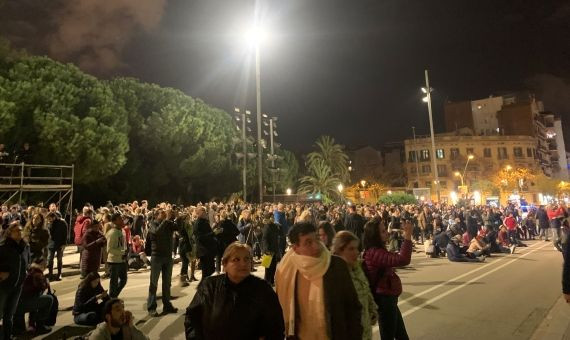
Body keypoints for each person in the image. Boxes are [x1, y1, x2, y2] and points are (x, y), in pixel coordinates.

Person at [275, 222, 362, 340]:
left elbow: (353, 307)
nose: (316, 246)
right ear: (296, 248)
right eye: (308, 243)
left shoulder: (336, 266)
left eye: (316, 238)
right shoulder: (289, 272)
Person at [184, 242, 284, 340]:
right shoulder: (209, 286)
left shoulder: (263, 289)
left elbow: (276, 325)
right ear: (225, 264)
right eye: (236, 259)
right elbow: (192, 318)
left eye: (247, 259)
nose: (243, 263)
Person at [362, 217, 411, 340]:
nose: (387, 232)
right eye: (383, 231)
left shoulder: (377, 250)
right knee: (388, 335)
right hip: (384, 300)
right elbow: (402, 259)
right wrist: (408, 237)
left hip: (388, 298)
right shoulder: (375, 253)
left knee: (401, 335)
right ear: (375, 235)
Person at [333, 231, 378, 340]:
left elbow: (366, 291)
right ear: (339, 251)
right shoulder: (335, 275)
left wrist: (373, 310)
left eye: (356, 248)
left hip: (365, 331)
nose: (356, 252)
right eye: (351, 249)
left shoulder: (357, 268)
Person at [0, 223, 30, 339]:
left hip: (18, 286)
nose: (19, 232)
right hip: (3, 286)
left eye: (21, 230)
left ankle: (8, 337)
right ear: (9, 233)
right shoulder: (3, 247)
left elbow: (27, 261)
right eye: (16, 231)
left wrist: (25, 272)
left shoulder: (25, 247)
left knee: (9, 316)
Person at [146, 209, 179, 317]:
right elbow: (157, 233)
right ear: (156, 216)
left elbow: (179, 228)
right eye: (163, 214)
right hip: (157, 257)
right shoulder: (152, 224)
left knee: (167, 283)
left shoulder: (168, 223)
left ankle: (167, 304)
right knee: (153, 283)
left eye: (166, 214)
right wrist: (166, 221)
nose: (165, 215)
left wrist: (178, 218)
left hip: (168, 257)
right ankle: (151, 307)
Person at [13, 258, 54, 335]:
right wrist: (46, 283)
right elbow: (41, 287)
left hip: (17, 303)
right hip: (22, 304)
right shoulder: (37, 274)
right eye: (45, 264)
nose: (46, 266)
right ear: (41, 265)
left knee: (37, 297)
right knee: (49, 299)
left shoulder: (30, 271)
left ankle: (31, 325)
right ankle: (40, 325)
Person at [106, 213, 127, 298]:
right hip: (114, 261)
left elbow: (122, 245)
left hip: (121, 260)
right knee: (114, 283)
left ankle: (113, 297)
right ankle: (112, 299)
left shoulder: (121, 231)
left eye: (122, 218)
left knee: (123, 280)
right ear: (114, 221)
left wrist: (125, 252)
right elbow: (109, 249)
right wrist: (122, 252)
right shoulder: (112, 233)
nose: (122, 220)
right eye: (120, 219)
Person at [261, 211, 285, 285]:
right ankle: (267, 282)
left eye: (273, 217)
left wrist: (280, 226)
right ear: (268, 218)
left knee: (273, 267)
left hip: (274, 249)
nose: (273, 218)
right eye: (272, 217)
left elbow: (281, 234)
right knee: (267, 268)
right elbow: (264, 239)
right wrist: (266, 250)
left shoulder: (274, 226)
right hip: (268, 250)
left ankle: (271, 281)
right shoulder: (266, 227)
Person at [194, 207, 217, 280]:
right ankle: (203, 288)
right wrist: (213, 233)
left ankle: (205, 287)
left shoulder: (205, 221)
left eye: (205, 211)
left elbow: (209, 233)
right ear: (198, 213)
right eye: (202, 211)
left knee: (211, 271)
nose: (205, 212)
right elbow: (200, 237)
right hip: (204, 251)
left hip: (209, 250)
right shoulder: (198, 223)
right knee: (206, 273)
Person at [46, 212, 68, 281]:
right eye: (48, 219)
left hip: (60, 244)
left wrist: (64, 244)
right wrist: (50, 224)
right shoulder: (49, 224)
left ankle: (59, 273)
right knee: (50, 259)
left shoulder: (62, 223)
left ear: (54, 217)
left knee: (59, 259)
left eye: (50, 219)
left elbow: (65, 234)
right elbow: (49, 234)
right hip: (51, 244)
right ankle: (50, 274)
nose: (49, 220)